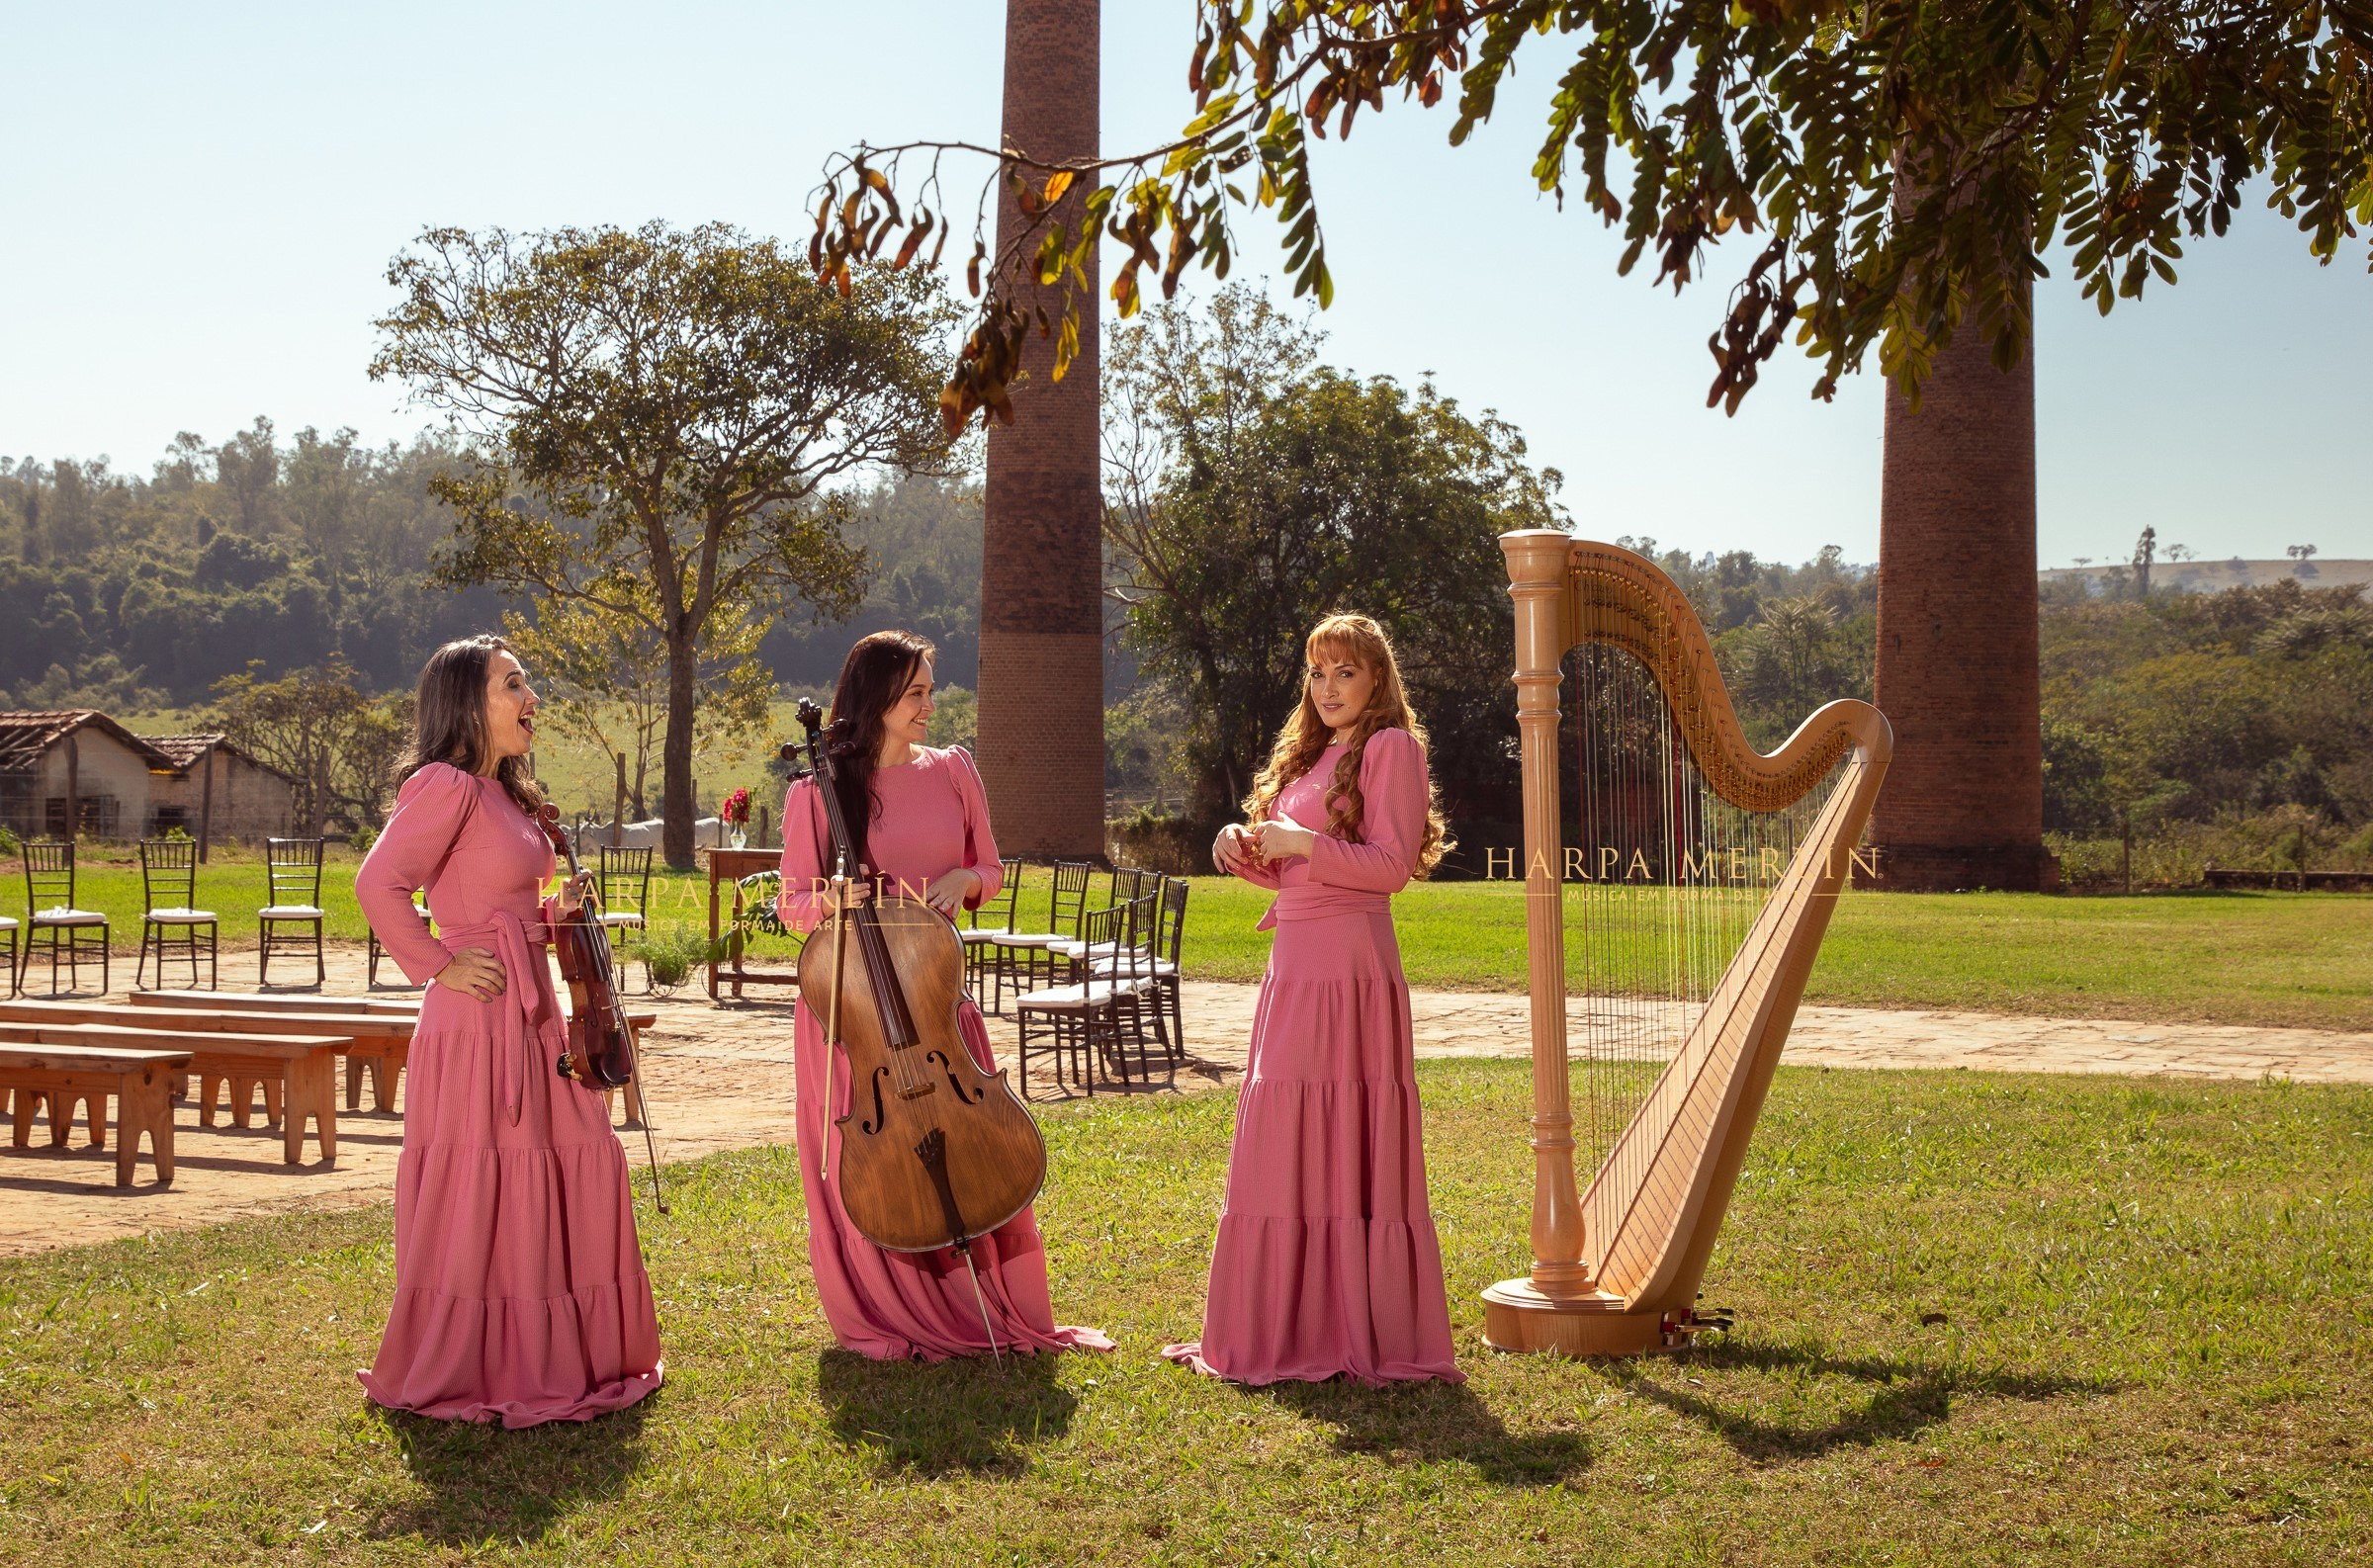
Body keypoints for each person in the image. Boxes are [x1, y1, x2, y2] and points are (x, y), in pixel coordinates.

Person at [777, 630, 1112, 1360]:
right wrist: (832, 900)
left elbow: (989, 866)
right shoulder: (818, 791)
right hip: (857, 1013)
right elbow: (791, 904)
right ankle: (887, 1302)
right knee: (880, 1159)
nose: (932, 704)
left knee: (972, 1149)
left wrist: (968, 882)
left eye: (932, 689)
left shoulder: (956, 770)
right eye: (916, 692)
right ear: (878, 699)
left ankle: (986, 1298)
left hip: (937, 1002)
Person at [354, 634, 663, 1427]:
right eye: (513, 684)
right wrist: (435, 962)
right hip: (481, 1015)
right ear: (468, 703)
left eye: (528, 683)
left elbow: (510, 895)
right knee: (492, 1179)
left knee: (580, 1157)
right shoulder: (447, 786)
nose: (531, 699)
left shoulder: (509, 794)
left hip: (538, 1017)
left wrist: (555, 912)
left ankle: (576, 1353)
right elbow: (378, 883)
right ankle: (490, 1361)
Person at [1164, 613, 1463, 1385]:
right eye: (1319, 673)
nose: (1328, 688)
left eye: (1346, 673)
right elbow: (1293, 868)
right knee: (1283, 1127)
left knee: (1333, 1122)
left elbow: (1391, 866)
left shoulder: (1392, 747)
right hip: (1294, 962)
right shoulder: (1312, 756)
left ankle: (1348, 1322)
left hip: (1349, 965)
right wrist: (1242, 845)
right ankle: (1287, 1318)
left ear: (1377, 682)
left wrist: (1304, 845)